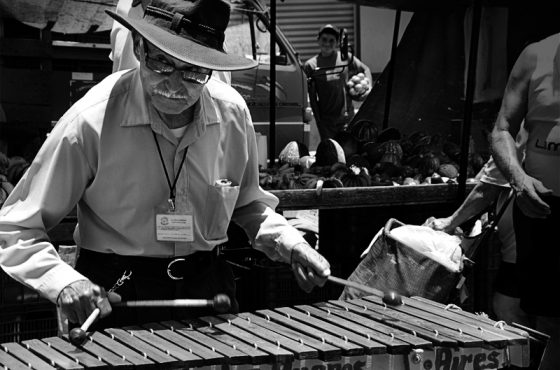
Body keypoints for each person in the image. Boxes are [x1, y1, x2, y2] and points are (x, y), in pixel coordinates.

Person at [0, 0, 331, 330]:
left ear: (211, 69)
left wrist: (291, 243)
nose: (174, 86)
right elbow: (15, 229)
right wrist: (64, 283)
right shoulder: (90, 121)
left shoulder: (232, 114)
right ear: (139, 49)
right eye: (161, 64)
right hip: (119, 291)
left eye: (192, 71)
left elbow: (248, 205)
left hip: (208, 289)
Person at [490, 33, 560, 370]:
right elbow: (503, 128)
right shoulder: (535, 55)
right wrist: (518, 180)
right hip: (542, 208)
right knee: (547, 319)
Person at [423, 157, 531, 327]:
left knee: (506, 307)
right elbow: (487, 181)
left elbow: (486, 189)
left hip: (523, 247)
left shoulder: (513, 143)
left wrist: (450, 222)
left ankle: (533, 353)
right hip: (519, 246)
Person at [109, 0, 231, 85]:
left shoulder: (202, 21)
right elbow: (119, 60)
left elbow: (216, 96)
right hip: (124, 113)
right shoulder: (124, 7)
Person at [304, 24, 373, 141]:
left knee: (349, 152)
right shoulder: (311, 65)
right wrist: (315, 117)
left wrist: (369, 88)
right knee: (332, 154)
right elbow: (307, 92)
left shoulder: (345, 58)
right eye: (324, 39)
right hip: (326, 122)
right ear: (318, 40)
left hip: (347, 119)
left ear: (337, 43)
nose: (327, 43)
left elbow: (365, 69)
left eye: (331, 40)